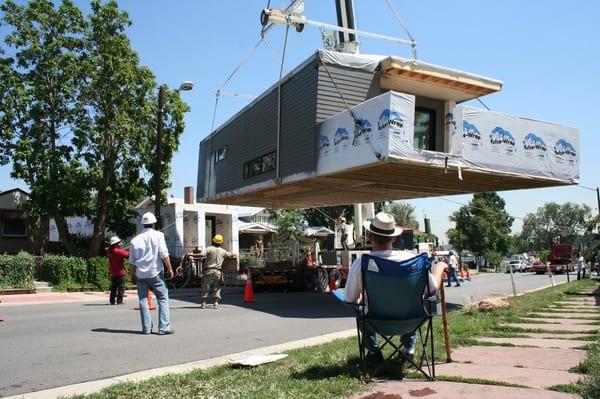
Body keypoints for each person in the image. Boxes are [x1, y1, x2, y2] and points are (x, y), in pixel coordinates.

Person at [345, 212, 445, 365]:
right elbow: (432, 289)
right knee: (412, 301)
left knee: (359, 310)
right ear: (393, 238)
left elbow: (350, 299)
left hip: (375, 321)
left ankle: (374, 352)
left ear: (370, 236)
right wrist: (439, 268)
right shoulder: (413, 260)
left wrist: (361, 298)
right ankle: (408, 350)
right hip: (412, 321)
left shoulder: (361, 264)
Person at [128, 212, 175, 335]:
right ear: (154, 223)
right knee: (163, 298)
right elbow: (164, 254)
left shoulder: (135, 240)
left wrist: (132, 275)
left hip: (140, 275)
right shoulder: (159, 235)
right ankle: (164, 327)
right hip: (155, 273)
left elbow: (131, 262)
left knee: (143, 300)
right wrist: (170, 268)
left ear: (143, 224)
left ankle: (146, 328)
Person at [200, 234, 236, 309]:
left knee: (206, 287)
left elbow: (201, 254)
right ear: (221, 243)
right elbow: (230, 255)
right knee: (217, 288)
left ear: (213, 241)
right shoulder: (223, 251)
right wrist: (233, 253)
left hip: (208, 271)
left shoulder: (209, 249)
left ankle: (203, 303)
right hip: (218, 272)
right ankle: (215, 303)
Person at [106, 236, 129, 305]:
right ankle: (119, 300)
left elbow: (120, 252)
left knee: (113, 287)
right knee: (121, 287)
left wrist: (122, 249)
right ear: (116, 244)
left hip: (113, 272)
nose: (121, 243)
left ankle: (112, 300)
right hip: (120, 272)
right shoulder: (119, 251)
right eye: (119, 242)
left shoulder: (110, 250)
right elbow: (128, 255)